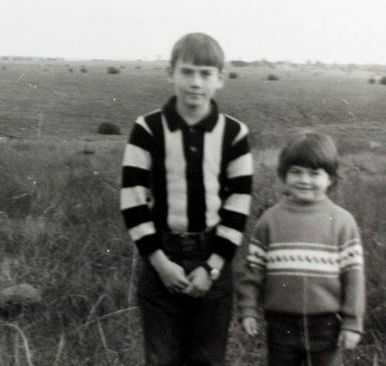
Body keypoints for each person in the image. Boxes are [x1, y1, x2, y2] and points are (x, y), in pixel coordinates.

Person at [120, 32, 253, 366]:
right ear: (171, 73)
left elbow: (238, 204)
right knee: (162, 356)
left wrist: (212, 267)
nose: (195, 82)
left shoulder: (235, 134)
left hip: (213, 260)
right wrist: (160, 263)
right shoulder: (147, 129)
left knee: (207, 358)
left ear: (220, 79)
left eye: (206, 74)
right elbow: (133, 200)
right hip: (161, 260)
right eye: (188, 72)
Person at [237, 131, 365, 366]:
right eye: (296, 172)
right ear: (284, 176)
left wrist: (352, 322)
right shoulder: (269, 220)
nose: (304, 180)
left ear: (330, 179)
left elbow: (354, 278)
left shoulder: (343, 222)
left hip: (326, 325)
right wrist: (248, 309)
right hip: (280, 324)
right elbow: (253, 271)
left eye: (314, 173)